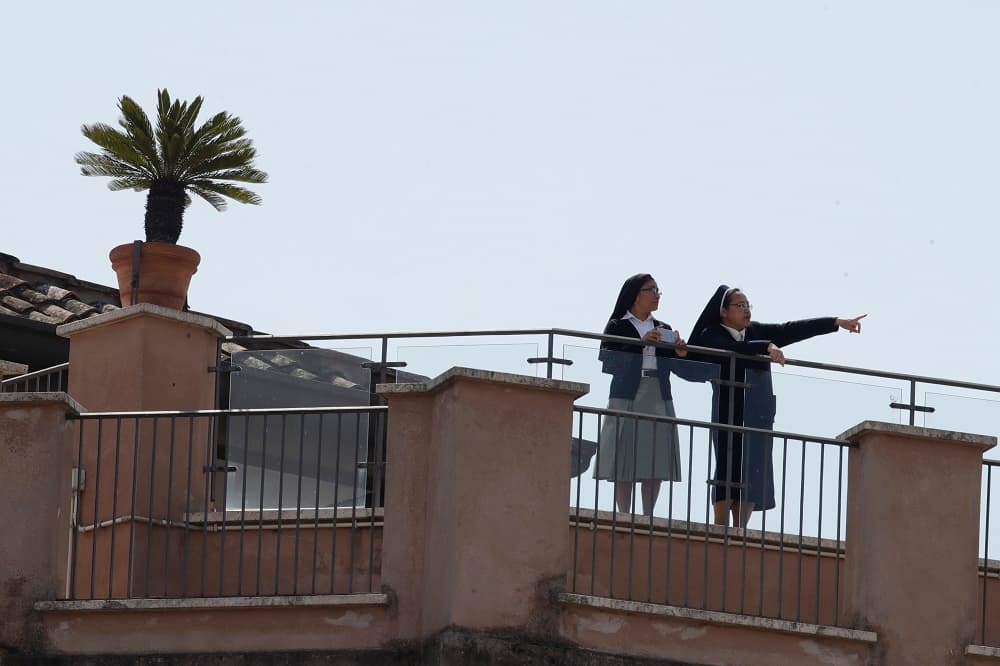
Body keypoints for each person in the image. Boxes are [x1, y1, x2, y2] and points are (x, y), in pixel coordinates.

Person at [687, 285, 865, 527]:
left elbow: (790, 329)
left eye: (748, 305)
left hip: (758, 411)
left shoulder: (755, 331)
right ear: (724, 312)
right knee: (727, 467)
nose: (746, 310)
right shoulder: (711, 333)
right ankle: (720, 527)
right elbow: (731, 349)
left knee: (754, 468)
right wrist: (766, 347)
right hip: (728, 411)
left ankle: (740, 529)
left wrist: (835, 322)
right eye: (740, 305)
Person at [595, 273, 688, 516]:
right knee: (624, 454)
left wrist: (679, 353)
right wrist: (641, 343)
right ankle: (624, 514)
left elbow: (676, 368)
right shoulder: (617, 325)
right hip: (627, 393)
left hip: (658, 392)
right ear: (636, 294)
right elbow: (608, 361)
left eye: (658, 290)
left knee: (656, 456)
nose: (657, 295)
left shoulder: (664, 328)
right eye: (651, 289)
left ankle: (648, 515)